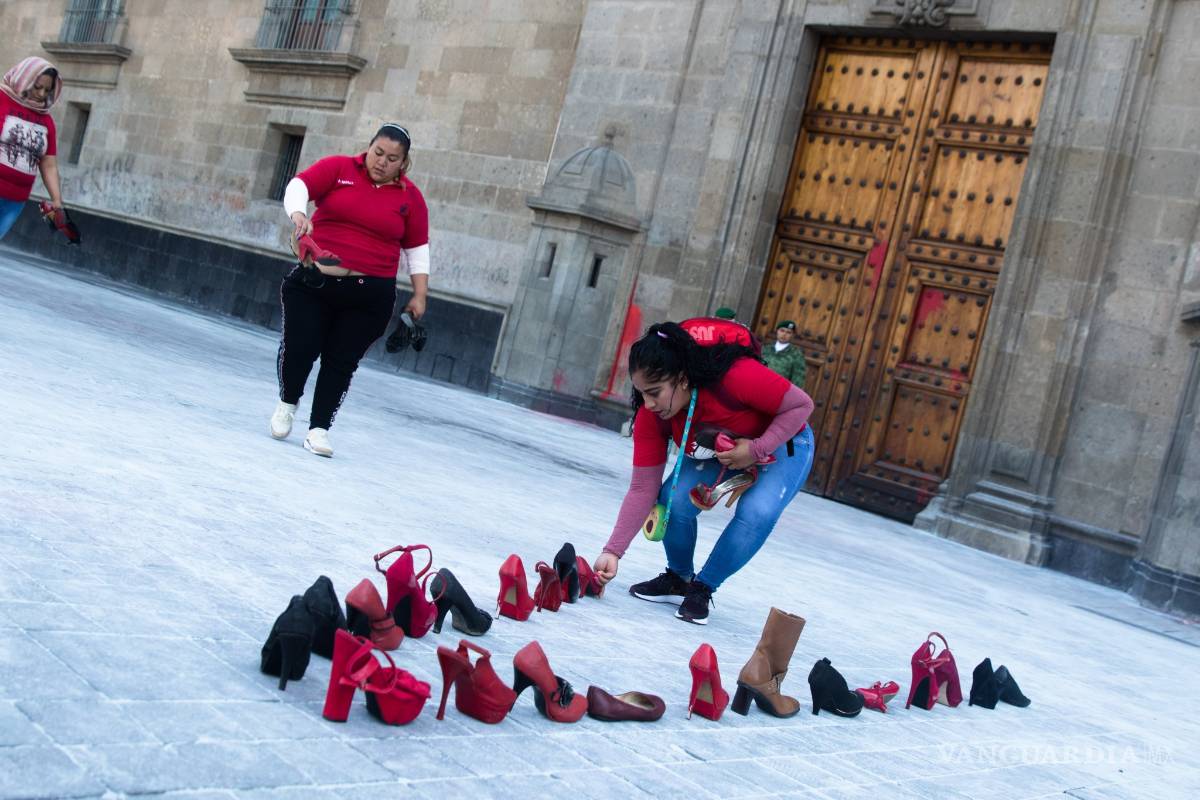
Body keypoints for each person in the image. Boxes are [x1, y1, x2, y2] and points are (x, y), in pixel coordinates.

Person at [590, 322, 815, 624]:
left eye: (655, 392)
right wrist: (613, 551)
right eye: (641, 393)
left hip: (784, 441)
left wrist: (757, 448)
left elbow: (802, 404)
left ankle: (703, 587)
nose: (648, 404)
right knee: (675, 499)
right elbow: (643, 487)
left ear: (682, 379)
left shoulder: (736, 377)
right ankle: (680, 579)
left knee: (757, 511)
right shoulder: (652, 415)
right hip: (718, 447)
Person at [270, 123, 429, 457]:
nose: (383, 162)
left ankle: (318, 430)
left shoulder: (410, 197)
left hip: (369, 293)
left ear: (404, 163)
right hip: (316, 282)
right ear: (368, 148)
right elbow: (299, 185)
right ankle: (287, 403)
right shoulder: (339, 168)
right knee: (301, 347)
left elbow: (416, 248)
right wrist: (299, 214)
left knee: (341, 362)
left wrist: (419, 294)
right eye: (378, 153)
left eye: (393, 158)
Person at [0, 57, 65, 240]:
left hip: (15, 200)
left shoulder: (46, 120)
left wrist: (57, 201)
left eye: (47, 89)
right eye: (37, 87)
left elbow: (49, 164)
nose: (42, 94)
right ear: (24, 78)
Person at [762, 320, 806, 388]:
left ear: (793, 335)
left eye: (788, 332)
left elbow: (798, 379)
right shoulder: (765, 349)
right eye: (782, 330)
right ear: (777, 331)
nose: (784, 334)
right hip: (759, 385)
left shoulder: (796, 355)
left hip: (779, 390)